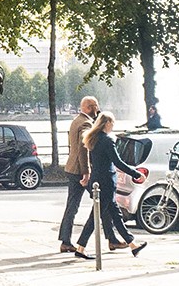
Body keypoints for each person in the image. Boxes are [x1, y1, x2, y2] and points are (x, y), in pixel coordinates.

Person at [84, 111, 148, 256]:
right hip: (106, 182)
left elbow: (92, 163)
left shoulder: (92, 139)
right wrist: (136, 174)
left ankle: (132, 244)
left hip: (97, 180)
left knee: (115, 214)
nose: (113, 126)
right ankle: (81, 247)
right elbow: (117, 162)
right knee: (95, 217)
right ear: (107, 123)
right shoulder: (107, 140)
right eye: (112, 123)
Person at [58, 95, 100, 258]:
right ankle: (113, 238)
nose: (98, 109)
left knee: (72, 206)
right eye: (96, 106)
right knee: (102, 202)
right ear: (90, 107)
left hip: (71, 167)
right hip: (79, 171)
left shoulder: (76, 120)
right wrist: (86, 172)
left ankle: (65, 241)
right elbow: (84, 148)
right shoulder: (86, 123)